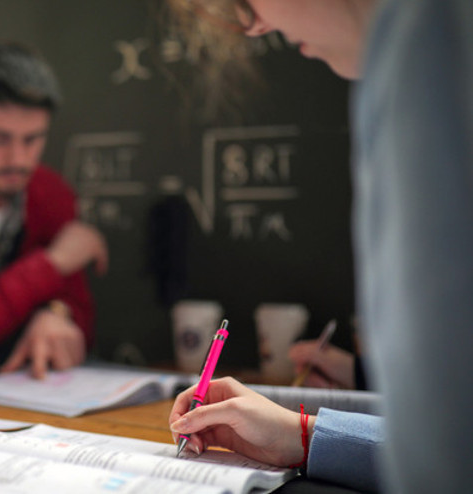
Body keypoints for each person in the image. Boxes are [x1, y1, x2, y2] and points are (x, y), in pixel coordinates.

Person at [168, 0, 473, 492]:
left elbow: (446, 456)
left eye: (243, 3)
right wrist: (303, 435)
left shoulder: (429, 34)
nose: (254, 27)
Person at [0, 41, 108, 379]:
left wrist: (56, 314)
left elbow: (80, 315)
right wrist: (52, 263)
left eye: (32, 139)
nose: (18, 159)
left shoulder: (51, 193)